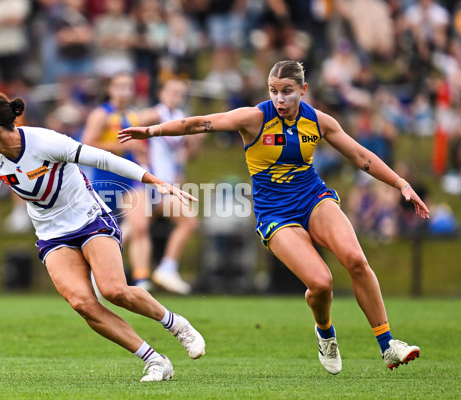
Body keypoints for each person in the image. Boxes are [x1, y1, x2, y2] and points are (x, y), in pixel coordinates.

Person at [119, 60, 429, 374]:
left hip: (314, 199)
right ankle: (325, 332)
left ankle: (388, 344)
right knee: (321, 284)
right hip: (276, 214)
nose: (279, 99)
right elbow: (199, 123)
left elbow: (361, 156)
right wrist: (153, 131)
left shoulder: (319, 122)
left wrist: (401, 184)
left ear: (303, 90)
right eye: (274, 91)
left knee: (356, 260)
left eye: (287, 92)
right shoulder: (254, 118)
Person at [0, 92, 205, 382]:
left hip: (90, 220)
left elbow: (100, 158)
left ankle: (177, 325)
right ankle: (155, 360)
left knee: (114, 291)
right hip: (52, 235)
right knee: (82, 302)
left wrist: (151, 179)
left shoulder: (45, 141)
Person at [82, 72, 152, 290]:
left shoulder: (133, 116)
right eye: (120, 87)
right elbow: (86, 145)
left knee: (140, 227)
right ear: (110, 90)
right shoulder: (101, 115)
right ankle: (96, 277)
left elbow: (138, 148)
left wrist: (142, 157)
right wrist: (121, 147)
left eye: (128, 87)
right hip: (104, 181)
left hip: (130, 181)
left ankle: (142, 280)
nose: (125, 92)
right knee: (100, 234)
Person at [138, 79, 201, 294]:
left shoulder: (180, 119)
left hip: (166, 183)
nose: (176, 96)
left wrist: (196, 139)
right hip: (152, 182)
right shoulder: (154, 114)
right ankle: (165, 269)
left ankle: (156, 272)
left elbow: (188, 156)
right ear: (162, 93)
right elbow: (129, 130)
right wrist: (139, 154)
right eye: (172, 91)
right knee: (187, 222)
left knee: (131, 231)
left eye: (180, 92)